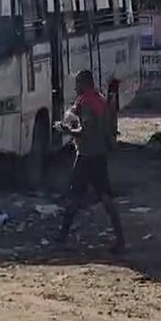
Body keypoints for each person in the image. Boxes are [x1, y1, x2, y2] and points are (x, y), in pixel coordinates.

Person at [54, 69, 126, 254]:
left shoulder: (86, 103)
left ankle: (62, 236)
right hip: (99, 154)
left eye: (78, 83)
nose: (76, 87)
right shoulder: (98, 99)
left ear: (85, 83)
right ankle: (120, 239)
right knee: (106, 197)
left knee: (74, 196)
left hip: (86, 155)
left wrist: (66, 130)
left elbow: (84, 131)